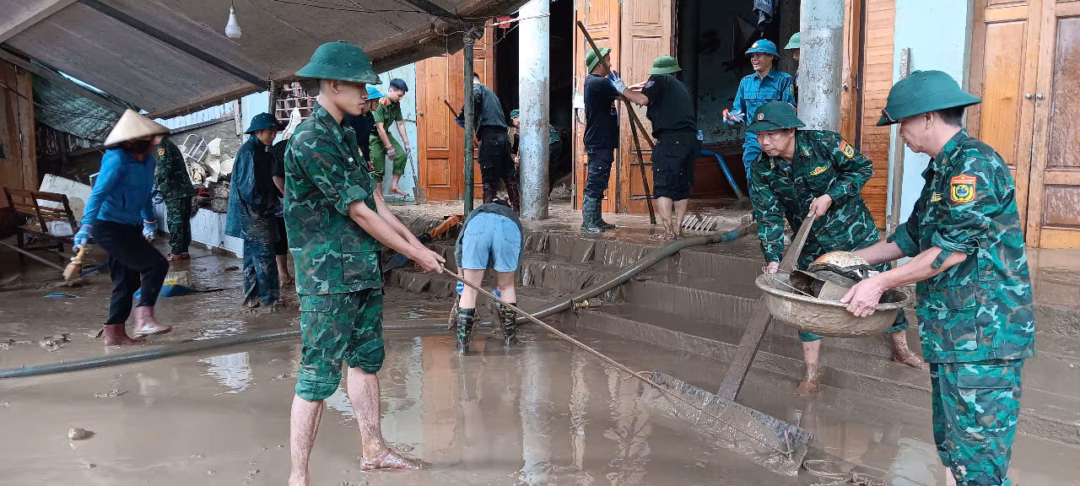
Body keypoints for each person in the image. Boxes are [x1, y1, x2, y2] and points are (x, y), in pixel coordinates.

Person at [841, 71, 1034, 486]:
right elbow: (911, 237)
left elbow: (950, 250)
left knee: (979, 464)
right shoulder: (941, 170)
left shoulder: (974, 166)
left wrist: (878, 283)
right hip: (952, 334)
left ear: (927, 118)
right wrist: (848, 259)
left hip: (983, 338)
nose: (901, 135)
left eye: (902, 124)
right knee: (954, 450)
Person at [285, 41, 445, 484]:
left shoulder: (346, 134)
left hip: (360, 270)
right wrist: (414, 254)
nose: (365, 94)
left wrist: (419, 245)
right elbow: (356, 211)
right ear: (333, 85)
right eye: (359, 86)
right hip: (326, 278)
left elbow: (375, 201)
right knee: (317, 375)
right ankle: (298, 477)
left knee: (365, 359)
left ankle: (373, 449)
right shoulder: (310, 139)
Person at [747, 101, 927, 396]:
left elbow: (862, 168)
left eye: (772, 134)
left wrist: (831, 195)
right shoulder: (761, 169)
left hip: (855, 235)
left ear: (791, 130)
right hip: (811, 244)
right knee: (805, 302)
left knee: (882, 290)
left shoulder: (824, 143)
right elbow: (768, 216)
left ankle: (902, 351)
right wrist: (773, 259)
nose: (765, 142)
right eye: (759, 135)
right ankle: (811, 373)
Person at [73, 109, 172, 346]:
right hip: (107, 226)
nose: (151, 144)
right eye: (147, 140)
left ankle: (114, 335)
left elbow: (145, 192)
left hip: (130, 225)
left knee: (128, 282)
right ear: (130, 141)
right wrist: (85, 226)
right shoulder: (116, 160)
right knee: (156, 265)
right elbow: (98, 194)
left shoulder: (148, 160)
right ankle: (144, 318)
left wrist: (149, 220)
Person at [610, 55, 699, 240]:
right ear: (675, 71)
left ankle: (668, 232)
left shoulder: (658, 79)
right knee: (682, 185)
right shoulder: (683, 88)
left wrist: (623, 89)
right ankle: (679, 229)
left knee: (664, 185)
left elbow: (642, 99)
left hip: (670, 140)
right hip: (691, 141)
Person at [226, 113, 284, 309]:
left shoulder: (258, 151)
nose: (273, 136)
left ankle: (252, 300)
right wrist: (270, 206)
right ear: (258, 131)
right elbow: (249, 189)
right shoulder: (249, 152)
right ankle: (270, 302)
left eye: (274, 132)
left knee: (252, 259)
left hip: (254, 213)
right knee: (265, 257)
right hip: (255, 215)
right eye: (270, 132)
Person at [453, 197, 523, 353]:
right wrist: (502, 287)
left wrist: (461, 278)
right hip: (508, 228)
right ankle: (510, 340)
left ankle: (462, 347)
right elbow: (517, 261)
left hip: (477, 228)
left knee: (470, 290)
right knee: (507, 287)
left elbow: (459, 249)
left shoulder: (476, 214)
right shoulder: (511, 216)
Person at [723, 39, 796, 182]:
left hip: (777, 138)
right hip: (754, 139)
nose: (754, 59)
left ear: (771, 57)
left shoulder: (784, 80)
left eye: (759, 55)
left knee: (781, 179)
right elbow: (739, 112)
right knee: (753, 178)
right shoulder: (746, 82)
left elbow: (790, 110)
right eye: (752, 56)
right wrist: (731, 118)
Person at [456, 72, 520, 210]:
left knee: (489, 179)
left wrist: (463, 115)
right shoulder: (492, 95)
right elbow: (505, 113)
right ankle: (516, 209)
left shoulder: (476, 88)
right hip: (503, 138)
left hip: (490, 138)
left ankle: (488, 212)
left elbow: (474, 97)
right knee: (508, 175)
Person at [581, 47, 620, 233]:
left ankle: (596, 220)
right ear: (599, 64)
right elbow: (624, 92)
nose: (610, 64)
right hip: (599, 140)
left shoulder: (599, 83)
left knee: (601, 180)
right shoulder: (596, 83)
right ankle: (588, 222)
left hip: (603, 140)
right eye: (608, 60)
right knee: (596, 180)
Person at [154, 136, 195, 261]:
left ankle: (176, 251)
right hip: (182, 189)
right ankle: (183, 251)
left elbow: (164, 168)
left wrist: (154, 182)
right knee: (183, 221)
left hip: (175, 191)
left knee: (175, 221)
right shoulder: (168, 144)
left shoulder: (163, 146)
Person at [508, 109, 567, 196]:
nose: (514, 124)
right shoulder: (534, 119)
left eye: (513, 121)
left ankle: (539, 195)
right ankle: (546, 195)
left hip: (548, 145)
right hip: (556, 144)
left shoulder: (525, 121)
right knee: (550, 171)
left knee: (541, 170)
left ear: (516, 118)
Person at [370, 78, 411, 197]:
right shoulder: (380, 103)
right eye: (399, 95)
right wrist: (389, 147)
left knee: (401, 155)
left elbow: (400, 123)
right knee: (378, 169)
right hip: (373, 137)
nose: (400, 98)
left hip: (385, 134)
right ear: (391, 91)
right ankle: (379, 198)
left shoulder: (396, 105)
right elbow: (379, 128)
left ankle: (394, 186)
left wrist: (406, 143)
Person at [343, 86, 384, 163]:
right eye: (376, 101)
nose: (378, 104)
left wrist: (367, 159)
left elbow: (365, 141)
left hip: (360, 154)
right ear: (367, 101)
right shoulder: (350, 116)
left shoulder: (370, 118)